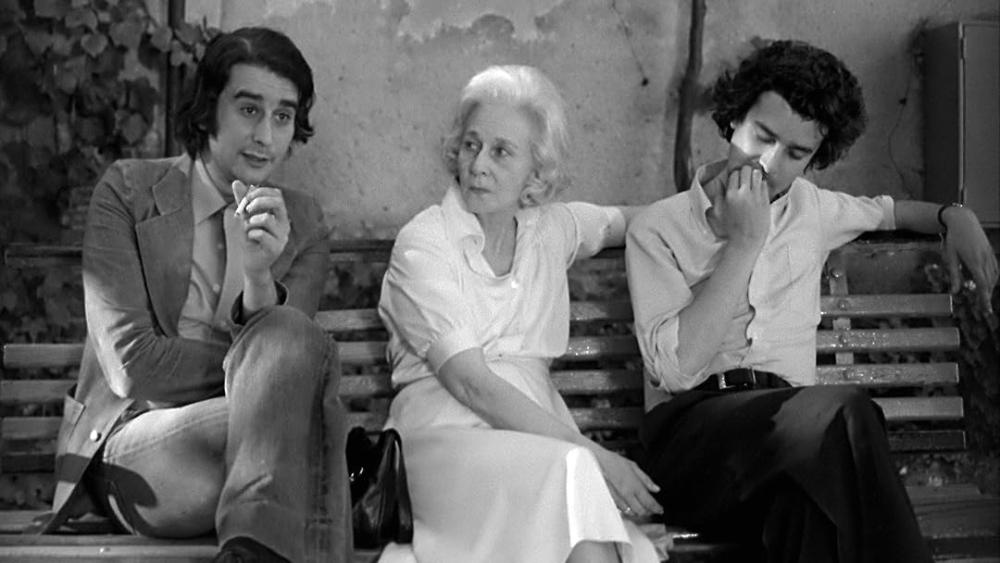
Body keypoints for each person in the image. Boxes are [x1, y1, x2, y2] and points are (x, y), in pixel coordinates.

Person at [626, 39, 998, 562]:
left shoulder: (813, 210)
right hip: (696, 448)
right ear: (733, 120)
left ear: (814, 159)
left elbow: (888, 212)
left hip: (797, 450)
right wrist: (745, 242)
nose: (769, 162)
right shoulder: (658, 229)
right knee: (845, 414)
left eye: (796, 153)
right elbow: (677, 370)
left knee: (808, 515)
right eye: (762, 136)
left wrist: (953, 215)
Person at [34, 27, 353, 563]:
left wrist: (258, 278)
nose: (266, 135)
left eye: (283, 116)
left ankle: (251, 551)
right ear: (208, 109)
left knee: (288, 355)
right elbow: (132, 365)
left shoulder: (301, 222)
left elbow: (286, 358)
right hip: (141, 449)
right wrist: (252, 376)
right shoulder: (129, 192)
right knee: (303, 425)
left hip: (252, 456)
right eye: (249, 110)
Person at [375, 65, 661, 563]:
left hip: (537, 446)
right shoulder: (425, 242)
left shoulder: (549, 230)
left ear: (536, 171)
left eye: (501, 151)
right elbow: (471, 385)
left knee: (572, 494)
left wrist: (712, 204)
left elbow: (625, 221)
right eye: (471, 145)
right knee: (573, 477)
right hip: (443, 447)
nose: (478, 165)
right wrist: (595, 455)